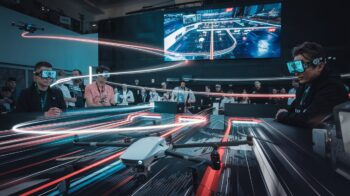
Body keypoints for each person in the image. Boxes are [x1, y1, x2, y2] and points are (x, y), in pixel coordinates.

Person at [275, 42, 348, 127]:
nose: (296, 72)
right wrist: (286, 114)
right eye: (294, 66)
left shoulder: (332, 87)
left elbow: (310, 119)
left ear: (319, 66)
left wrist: (282, 116)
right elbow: (294, 109)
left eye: (301, 66)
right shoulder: (305, 83)